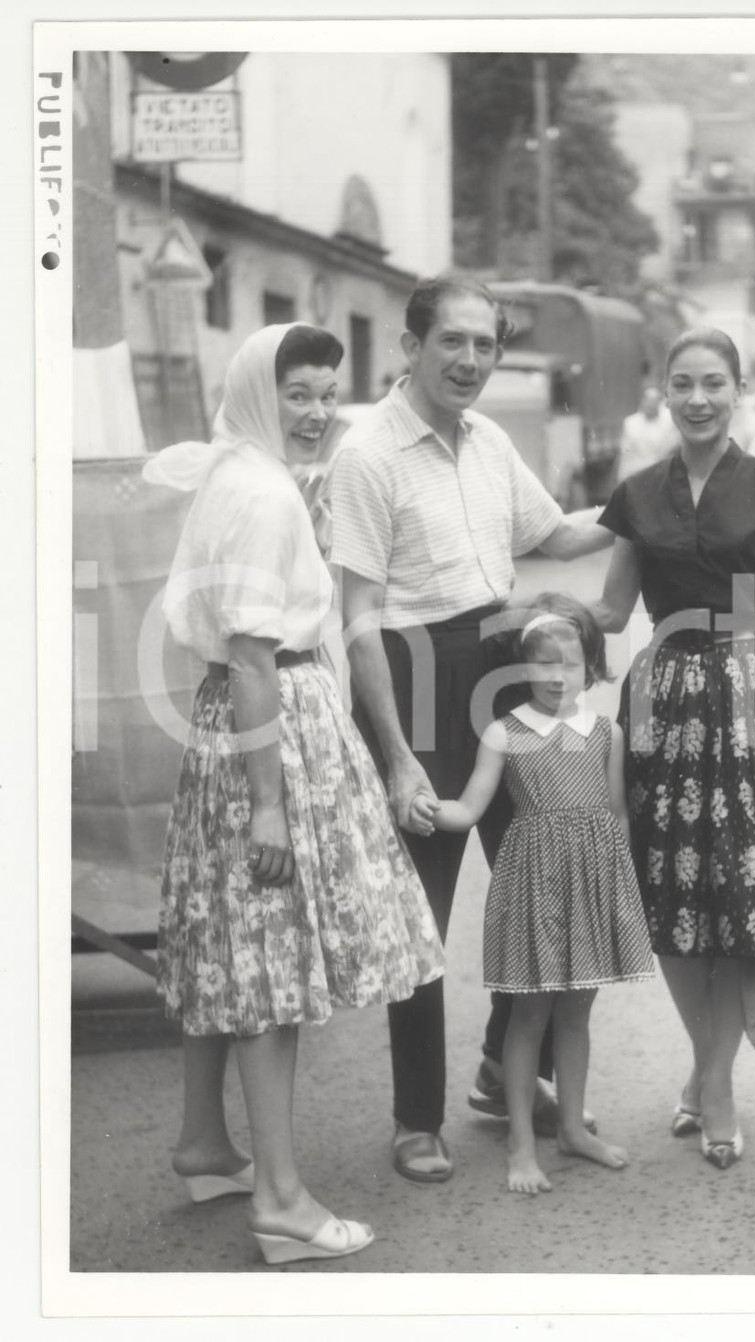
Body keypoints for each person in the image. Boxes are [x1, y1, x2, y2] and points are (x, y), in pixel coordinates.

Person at [144, 323, 444, 1264]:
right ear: (260, 394)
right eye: (299, 395)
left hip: (233, 728)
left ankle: (205, 1145)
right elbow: (251, 658)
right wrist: (270, 802)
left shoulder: (237, 470)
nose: (316, 413)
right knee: (270, 966)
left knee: (234, 950)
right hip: (271, 733)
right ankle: (279, 1202)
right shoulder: (264, 494)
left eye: (327, 394)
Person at [327, 274, 614, 1184]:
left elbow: (558, 537)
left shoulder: (489, 440)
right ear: (409, 348)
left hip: (501, 657)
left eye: (485, 344)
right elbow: (361, 619)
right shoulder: (368, 453)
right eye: (451, 342)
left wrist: (660, 503)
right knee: (425, 909)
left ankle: (502, 1067)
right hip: (412, 671)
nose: (470, 361)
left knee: (545, 867)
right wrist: (401, 760)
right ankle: (418, 1117)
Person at [593, 326, 755, 1170]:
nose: (697, 399)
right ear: (665, 388)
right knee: (675, 903)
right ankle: (709, 1070)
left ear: (739, 389)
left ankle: (712, 1086)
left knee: (741, 906)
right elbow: (612, 611)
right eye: (683, 383)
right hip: (662, 702)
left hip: (748, 695)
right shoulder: (637, 493)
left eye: (714, 383)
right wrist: (512, 621)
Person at [423, 594, 653, 1194]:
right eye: (545, 666)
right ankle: (522, 1145)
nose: (558, 678)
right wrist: (423, 807)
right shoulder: (504, 733)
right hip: (534, 886)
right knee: (529, 1015)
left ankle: (573, 1128)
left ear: (590, 667)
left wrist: (619, 894)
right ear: (523, 668)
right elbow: (471, 805)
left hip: (591, 885)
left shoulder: (606, 732)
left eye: (571, 665)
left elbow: (617, 815)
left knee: (576, 1013)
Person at [617, 385, 680, 480]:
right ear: (642, 401)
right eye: (648, 400)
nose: (650, 404)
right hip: (636, 474)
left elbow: (671, 451)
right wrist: (622, 479)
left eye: (654, 401)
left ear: (659, 403)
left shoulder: (668, 424)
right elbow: (625, 455)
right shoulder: (630, 423)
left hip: (660, 475)